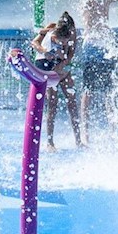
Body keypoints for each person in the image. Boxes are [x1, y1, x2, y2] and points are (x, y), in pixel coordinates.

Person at [78, 0, 118, 143]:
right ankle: (104, 131)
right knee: (101, 90)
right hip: (101, 46)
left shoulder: (90, 3)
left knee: (94, 90)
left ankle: (90, 132)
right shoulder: (100, 3)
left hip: (99, 46)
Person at [31, 11, 83, 151]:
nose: (71, 34)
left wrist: (61, 65)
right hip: (50, 67)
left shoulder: (73, 34)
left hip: (63, 69)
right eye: (69, 31)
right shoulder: (51, 28)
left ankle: (78, 140)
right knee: (52, 104)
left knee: (72, 102)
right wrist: (44, 51)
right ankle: (50, 142)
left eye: (72, 31)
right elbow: (35, 42)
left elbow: (70, 55)